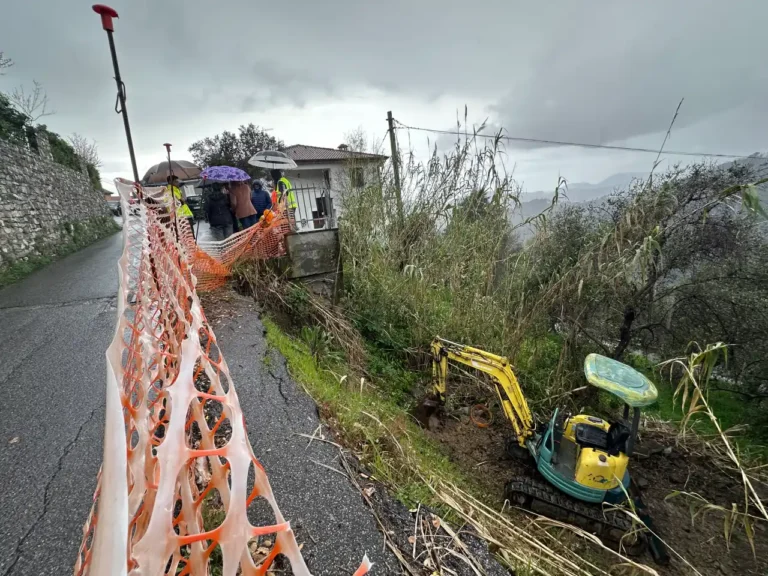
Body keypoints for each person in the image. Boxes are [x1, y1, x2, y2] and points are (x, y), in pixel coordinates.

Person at [168, 175, 196, 239]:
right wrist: (181, 201)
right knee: (186, 238)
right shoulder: (170, 191)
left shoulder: (177, 190)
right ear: (171, 182)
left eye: (178, 181)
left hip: (186, 217)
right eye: (176, 181)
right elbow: (172, 204)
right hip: (180, 218)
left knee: (191, 238)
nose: (178, 183)